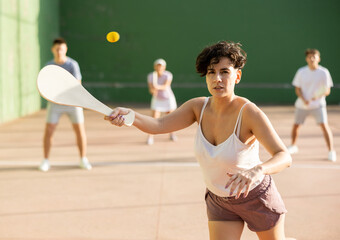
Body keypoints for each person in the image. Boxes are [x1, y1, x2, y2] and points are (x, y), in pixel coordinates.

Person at [105, 41, 293, 239]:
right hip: (219, 200)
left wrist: (257, 170)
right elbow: (159, 126)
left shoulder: (249, 113)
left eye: (224, 72)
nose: (217, 78)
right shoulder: (198, 107)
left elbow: (284, 156)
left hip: (255, 197)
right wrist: (130, 115)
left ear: (237, 76)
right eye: (211, 72)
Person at [39, 38, 92, 172]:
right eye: (57, 49)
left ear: (65, 49)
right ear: (53, 50)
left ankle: (83, 159)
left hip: (73, 103)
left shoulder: (72, 65)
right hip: (55, 104)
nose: (59, 51)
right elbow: (46, 86)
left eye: (61, 49)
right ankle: (45, 161)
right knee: (49, 131)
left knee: (79, 131)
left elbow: (77, 85)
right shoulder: (48, 66)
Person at [287, 49, 336, 162]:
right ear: (306, 59)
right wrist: (304, 99)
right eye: (309, 56)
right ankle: (293, 146)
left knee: (324, 126)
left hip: (318, 105)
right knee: (296, 125)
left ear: (319, 58)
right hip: (302, 105)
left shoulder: (324, 72)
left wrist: (317, 96)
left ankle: (331, 151)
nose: (312, 58)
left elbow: (327, 90)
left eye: (314, 56)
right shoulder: (301, 72)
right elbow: (298, 89)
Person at [146, 58, 177, 145]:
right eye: (158, 66)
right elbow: (151, 89)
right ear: (155, 67)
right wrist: (153, 90)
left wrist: (157, 87)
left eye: (161, 66)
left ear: (164, 67)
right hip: (157, 99)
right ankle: (150, 137)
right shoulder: (151, 76)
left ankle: (172, 134)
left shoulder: (168, 75)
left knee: (170, 118)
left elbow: (165, 86)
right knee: (154, 119)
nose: (159, 67)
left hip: (168, 98)